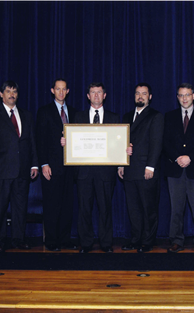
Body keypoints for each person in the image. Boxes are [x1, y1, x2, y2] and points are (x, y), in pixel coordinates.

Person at [0, 81, 39, 253]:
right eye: (8, 91)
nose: (11, 94)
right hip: (1, 169)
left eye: (14, 91)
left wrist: (34, 163)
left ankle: (18, 239)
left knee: (20, 207)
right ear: (1, 94)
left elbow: (31, 143)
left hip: (22, 170)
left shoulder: (26, 115)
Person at [162, 83, 194, 253]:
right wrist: (177, 157)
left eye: (187, 95)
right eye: (181, 95)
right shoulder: (169, 117)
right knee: (176, 207)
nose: (184, 98)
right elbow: (165, 142)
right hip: (174, 169)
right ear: (177, 97)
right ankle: (176, 240)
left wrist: (190, 157)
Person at [74, 82, 120, 253]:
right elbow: (73, 144)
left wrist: (124, 149)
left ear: (104, 95)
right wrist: (67, 142)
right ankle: (85, 244)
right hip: (84, 172)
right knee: (84, 209)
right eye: (92, 92)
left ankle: (106, 243)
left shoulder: (114, 118)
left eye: (99, 92)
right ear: (88, 96)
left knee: (105, 208)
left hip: (105, 172)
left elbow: (117, 144)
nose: (96, 95)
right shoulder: (78, 117)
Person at [118, 82, 164, 253]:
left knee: (148, 207)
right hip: (129, 169)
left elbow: (156, 143)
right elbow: (121, 143)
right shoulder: (126, 116)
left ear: (150, 97)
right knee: (134, 208)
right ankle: (136, 239)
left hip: (146, 169)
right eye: (137, 93)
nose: (140, 96)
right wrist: (120, 165)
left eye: (144, 93)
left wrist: (150, 166)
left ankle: (147, 241)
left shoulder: (156, 116)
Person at [36, 79, 78, 252]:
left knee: (67, 204)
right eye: (57, 89)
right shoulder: (44, 111)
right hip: (51, 167)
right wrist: (44, 163)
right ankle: (52, 240)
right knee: (52, 204)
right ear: (52, 90)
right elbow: (40, 140)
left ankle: (64, 239)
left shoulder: (74, 112)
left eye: (64, 89)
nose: (61, 92)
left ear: (68, 91)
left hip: (70, 167)